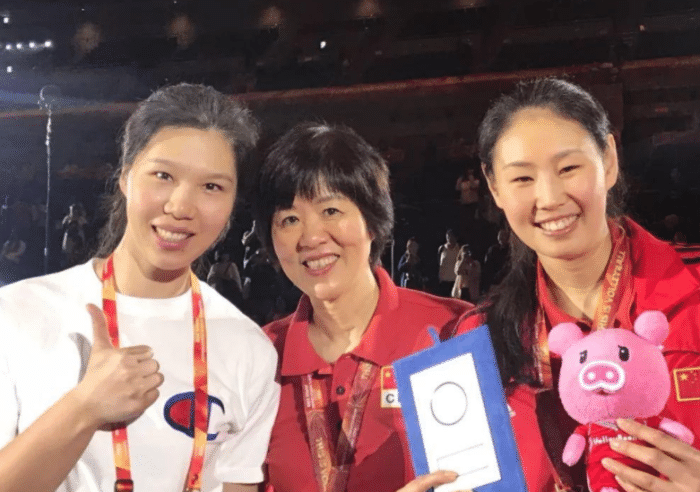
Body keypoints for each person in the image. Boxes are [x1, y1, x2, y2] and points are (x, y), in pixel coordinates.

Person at [0, 83, 280, 492]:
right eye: (163, 176)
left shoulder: (248, 347)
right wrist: (83, 408)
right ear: (126, 177)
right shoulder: (17, 313)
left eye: (212, 187)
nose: (180, 207)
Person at [454, 77, 700, 491]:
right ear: (494, 188)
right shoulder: (474, 341)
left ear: (609, 160)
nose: (550, 198)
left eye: (568, 168)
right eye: (522, 179)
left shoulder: (692, 288)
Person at [253, 122, 471, 492]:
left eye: (330, 210)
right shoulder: (257, 356)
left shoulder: (453, 330)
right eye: (289, 219)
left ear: (371, 221)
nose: (311, 237)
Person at [436, 229, 460, 297]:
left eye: (451, 236)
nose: (450, 239)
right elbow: (439, 264)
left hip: (455, 281)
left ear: (456, 238)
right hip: (444, 280)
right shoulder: (442, 248)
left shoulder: (459, 248)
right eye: (448, 237)